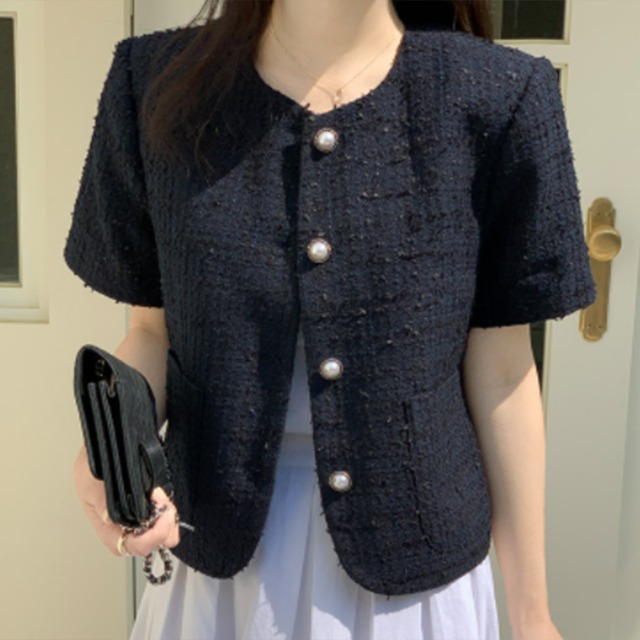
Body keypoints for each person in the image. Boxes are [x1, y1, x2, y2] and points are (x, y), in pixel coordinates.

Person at [65, 0, 596, 638]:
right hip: (218, 575)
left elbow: (504, 370)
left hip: (416, 580)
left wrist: (533, 615)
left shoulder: (498, 96)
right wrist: (111, 451)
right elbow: (152, 332)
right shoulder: (155, 84)